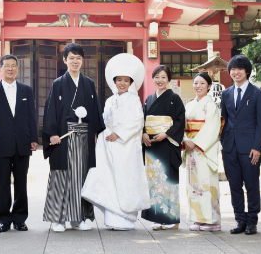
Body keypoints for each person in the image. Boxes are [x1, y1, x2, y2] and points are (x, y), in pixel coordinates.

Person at [42, 43, 106, 233]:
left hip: (84, 136)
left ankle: (79, 218)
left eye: (78, 58)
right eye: (71, 57)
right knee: (61, 176)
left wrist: (95, 132)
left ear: (82, 60)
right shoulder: (58, 83)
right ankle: (58, 219)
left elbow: (95, 112)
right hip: (63, 135)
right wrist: (52, 133)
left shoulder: (89, 83)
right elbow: (51, 109)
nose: (75, 61)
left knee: (82, 176)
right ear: (65, 60)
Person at [82, 53, 150, 230]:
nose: (122, 83)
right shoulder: (110, 100)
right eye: (119, 80)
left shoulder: (134, 100)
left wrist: (118, 134)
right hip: (109, 144)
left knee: (125, 180)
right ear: (114, 82)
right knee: (109, 180)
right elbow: (104, 120)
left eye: (126, 80)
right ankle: (112, 218)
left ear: (131, 83)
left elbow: (137, 122)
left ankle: (126, 219)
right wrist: (105, 133)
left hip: (126, 147)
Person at [0, 55, 38, 232]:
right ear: (0, 69)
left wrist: (34, 138)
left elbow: (31, 116)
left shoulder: (26, 90)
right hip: (1, 144)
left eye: (13, 66)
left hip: (22, 142)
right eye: (6, 66)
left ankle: (20, 218)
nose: (10, 69)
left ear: (17, 69)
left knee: (21, 183)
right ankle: (4, 219)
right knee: (3, 183)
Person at [220, 55, 261, 235]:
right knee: (234, 185)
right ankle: (240, 219)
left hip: (250, 148)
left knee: (252, 184)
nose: (236, 72)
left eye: (240, 69)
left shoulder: (257, 93)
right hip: (230, 147)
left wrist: (257, 147)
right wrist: (224, 143)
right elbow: (224, 120)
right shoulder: (226, 93)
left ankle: (252, 220)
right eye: (233, 69)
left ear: (247, 71)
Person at [142, 65, 185, 231]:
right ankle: (157, 217)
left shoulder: (175, 98)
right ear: (153, 79)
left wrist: (166, 134)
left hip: (166, 144)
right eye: (157, 77)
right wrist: (144, 133)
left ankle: (171, 219)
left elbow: (181, 120)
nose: (160, 80)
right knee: (154, 181)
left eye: (163, 77)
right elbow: (143, 119)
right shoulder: (148, 99)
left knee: (167, 180)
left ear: (169, 79)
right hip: (151, 145)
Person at [183, 72, 222, 232]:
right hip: (191, 150)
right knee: (193, 185)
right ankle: (198, 219)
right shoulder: (189, 105)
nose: (198, 86)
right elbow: (183, 125)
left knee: (206, 184)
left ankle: (212, 221)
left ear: (209, 86)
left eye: (202, 83)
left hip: (204, 151)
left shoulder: (211, 105)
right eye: (196, 83)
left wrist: (196, 142)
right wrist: (185, 139)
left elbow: (212, 128)